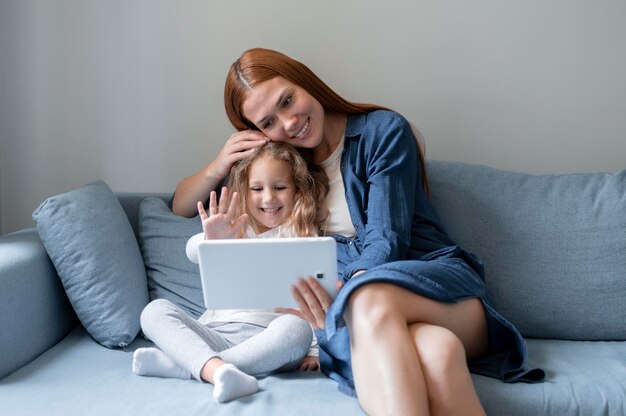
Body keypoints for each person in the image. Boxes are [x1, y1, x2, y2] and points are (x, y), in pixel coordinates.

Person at [172, 48, 545, 415]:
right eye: (268, 123)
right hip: (369, 316)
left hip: (439, 291)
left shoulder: (383, 132)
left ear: (305, 81)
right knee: (437, 353)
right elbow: (181, 205)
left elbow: (387, 241)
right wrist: (219, 165)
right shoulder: (286, 170)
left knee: (368, 299)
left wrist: (344, 293)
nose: (288, 123)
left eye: (287, 101)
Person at [133, 141, 329, 403]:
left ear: (296, 191)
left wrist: (315, 350)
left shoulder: (301, 235)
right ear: (245, 193)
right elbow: (192, 252)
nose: (268, 198)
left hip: (266, 342)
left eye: (280, 187)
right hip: (214, 333)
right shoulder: (233, 230)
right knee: (154, 310)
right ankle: (215, 368)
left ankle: (192, 367)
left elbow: (312, 304)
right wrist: (212, 241)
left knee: (296, 329)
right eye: (257, 189)